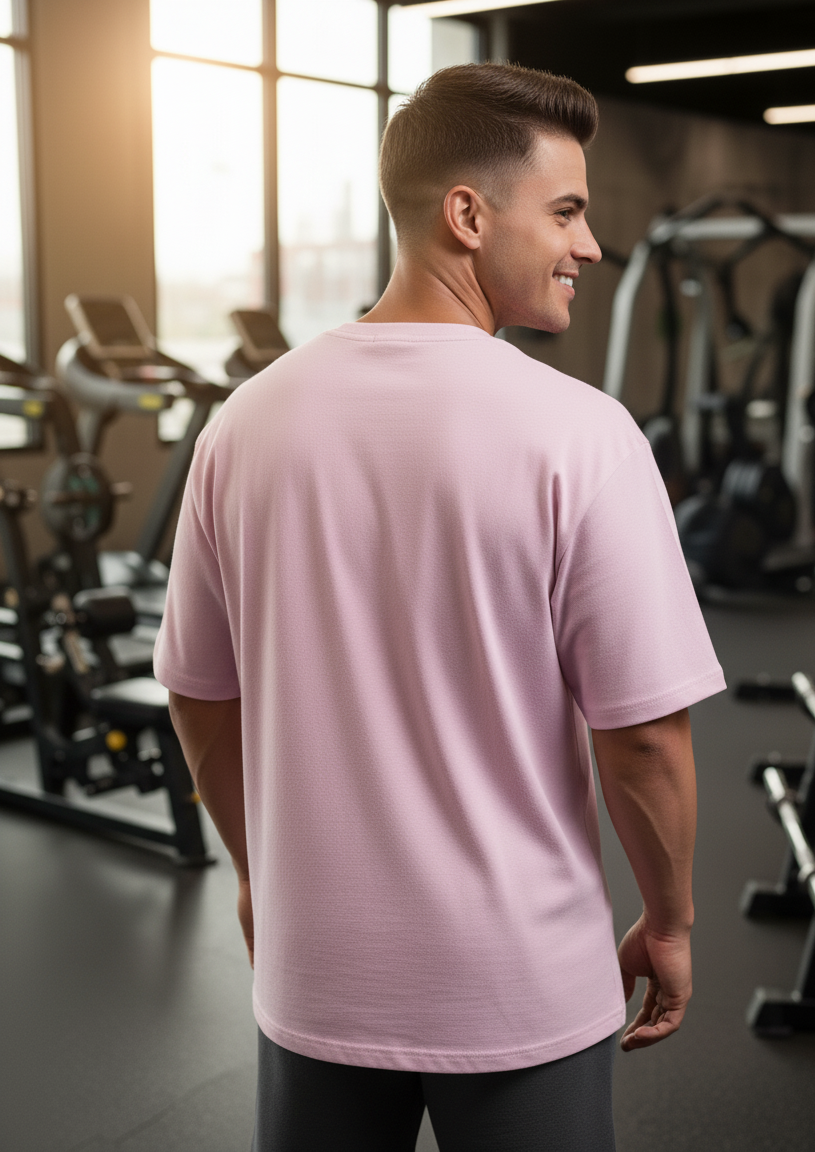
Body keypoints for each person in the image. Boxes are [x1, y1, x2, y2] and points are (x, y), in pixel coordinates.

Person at [154, 63, 725, 1152]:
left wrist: (255, 874)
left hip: (315, 974)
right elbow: (644, 738)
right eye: (564, 210)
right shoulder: (581, 433)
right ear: (466, 215)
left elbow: (197, 693)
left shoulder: (245, 423)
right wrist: (671, 921)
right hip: (515, 987)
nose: (588, 245)